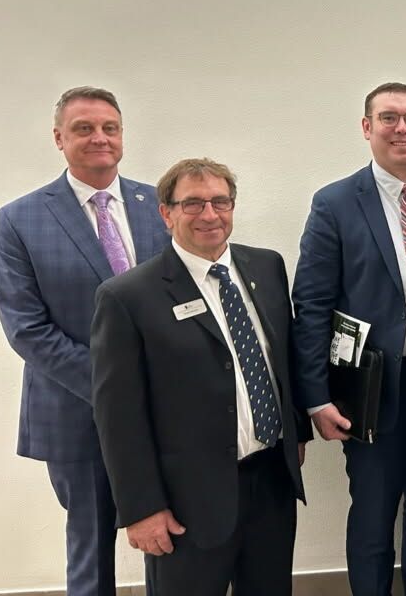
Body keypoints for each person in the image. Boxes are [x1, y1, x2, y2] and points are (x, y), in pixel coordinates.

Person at [89, 158, 308, 595]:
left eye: (219, 201)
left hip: (271, 482)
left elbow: (283, 360)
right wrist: (141, 509)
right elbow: (118, 417)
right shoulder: (128, 297)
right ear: (166, 213)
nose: (209, 214)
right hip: (187, 501)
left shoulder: (267, 267)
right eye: (192, 203)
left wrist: (296, 433)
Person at [0, 87, 170, 596]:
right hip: (76, 410)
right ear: (59, 138)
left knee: (172, 540)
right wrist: (118, 387)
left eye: (110, 128)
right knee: (91, 547)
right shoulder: (19, 219)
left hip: (166, 408)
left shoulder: (159, 206)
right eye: (84, 128)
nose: (100, 138)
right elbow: (27, 329)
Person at [291, 82, 406, 595]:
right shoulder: (336, 203)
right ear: (367, 128)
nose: (401, 129)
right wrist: (316, 398)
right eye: (389, 118)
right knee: (373, 510)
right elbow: (312, 305)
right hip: (372, 387)